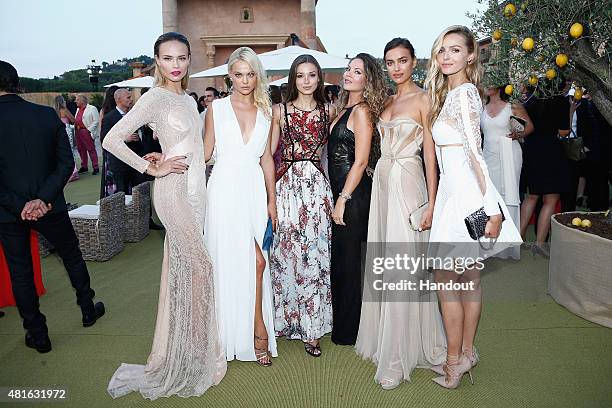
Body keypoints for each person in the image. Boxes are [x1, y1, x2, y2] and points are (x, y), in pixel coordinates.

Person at [102, 32, 226, 399]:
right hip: (172, 191)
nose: (176, 64)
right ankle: (199, 355)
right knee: (201, 268)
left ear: (189, 61)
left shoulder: (187, 99)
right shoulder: (154, 98)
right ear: (157, 61)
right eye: (168, 58)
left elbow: (196, 148)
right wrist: (149, 166)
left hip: (197, 188)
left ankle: (186, 350)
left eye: (182, 58)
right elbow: (112, 139)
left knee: (188, 271)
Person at [424, 25, 521, 389]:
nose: (446, 56)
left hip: (466, 198)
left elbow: (475, 155)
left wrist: (492, 210)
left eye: (454, 50)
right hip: (455, 194)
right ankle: (465, 354)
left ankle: (455, 361)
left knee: (448, 281)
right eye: (441, 51)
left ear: (469, 55)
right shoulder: (451, 94)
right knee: (468, 280)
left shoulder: (464, 94)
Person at [355, 38, 446, 390]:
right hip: (383, 184)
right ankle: (386, 342)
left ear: (413, 62)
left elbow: (430, 157)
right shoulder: (387, 101)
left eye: (402, 61)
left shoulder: (425, 99)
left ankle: (398, 355)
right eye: (390, 62)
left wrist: (433, 204)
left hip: (409, 184)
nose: (396, 68)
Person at [0, 60, 105, 354]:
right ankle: (87, 308)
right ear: (15, 82)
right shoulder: (45, 115)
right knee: (72, 256)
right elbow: (65, 163)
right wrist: (42, 199)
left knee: (21, 273)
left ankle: (38, 335)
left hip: (9, 211)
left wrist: (21, 204)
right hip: (50, 206)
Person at [204, 47, 278, 366]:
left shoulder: (267, 110)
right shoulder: (216, 109)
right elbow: (205, 153)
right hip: (222, 189)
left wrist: (272, 199)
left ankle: (254, 331)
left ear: (257, 75)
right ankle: (241, 334)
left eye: (251, 74)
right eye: (238, 74)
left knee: (258, 260)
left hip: (253, 191)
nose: (245, 81)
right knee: (235, 261)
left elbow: (266, 159)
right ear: (229, 76)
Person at [269, 54, 336, 357]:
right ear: (292, 79)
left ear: (319, 78)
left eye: (312, 75)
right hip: (287, 187)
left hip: (317, 189)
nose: (307, 81)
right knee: (286, 254)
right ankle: (286, 321)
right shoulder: (279, 111)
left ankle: (313, 328)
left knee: (315, 255)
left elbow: (336, 151)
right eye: (300, 75)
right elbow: (267, 155)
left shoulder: (329, 111)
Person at [327, 53, 386, 346]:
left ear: (368, 80)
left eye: (357, 71)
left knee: (349, 264)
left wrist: (343, 198)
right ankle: (346, 326)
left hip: (353, 195)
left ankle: (351, 332)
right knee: (342, 261)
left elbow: (361, 161)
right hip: (342, 192)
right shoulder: (342, 108)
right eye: (348, 69)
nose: (349, 74)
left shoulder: (361, 111)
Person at [519, 84, 572, 257]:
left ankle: (519, 238)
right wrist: (570, 111)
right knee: (550, 198)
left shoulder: (531, 100)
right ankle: (540, 243)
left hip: (531, 149)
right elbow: (564, 132)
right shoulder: (561, 101)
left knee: (531, 196)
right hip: (551, 150)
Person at [481, 86, 533, 259]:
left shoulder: (513, 105)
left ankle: (507, 246)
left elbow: (529, 127)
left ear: (500, 84)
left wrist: (518, 135)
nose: (487, 86)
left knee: (508, 196)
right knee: (490, 198)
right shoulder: (481, 105)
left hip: (509, 154)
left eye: (491, 82)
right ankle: (490, 243)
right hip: (487, 155)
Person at [100, 89, 144, 194]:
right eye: (128, 97)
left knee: (140, 191)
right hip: (120, 163)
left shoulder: (134, 114)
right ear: (118, 100)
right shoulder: (109, 118)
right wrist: (125, 139)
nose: (131, 99)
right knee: (122, 192)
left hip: (136, 160)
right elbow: (104, 140)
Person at [99, 85, 119, 197]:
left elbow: (100, 132)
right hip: (112, 147)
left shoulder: (104, 111)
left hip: (109, 148)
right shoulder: (106, 112)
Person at [53, 95, 79, 182]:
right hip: (66, 130)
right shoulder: (64, 110)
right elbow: (73, 119)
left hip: (58, 131)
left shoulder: (54, 111)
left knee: (63, 151)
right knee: (71, 150)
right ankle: (73, 171)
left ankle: (67, 172)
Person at [74, 94, 100, 175]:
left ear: (82, 100)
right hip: (78, 131)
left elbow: (96, 120)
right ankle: (84, 166)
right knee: (81, 150)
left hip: (86, 131)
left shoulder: (92, 108)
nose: (75, 101)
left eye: (77, 99)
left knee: (91, 149)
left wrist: (89, 130)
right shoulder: (78, 109)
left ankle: (96, 167)